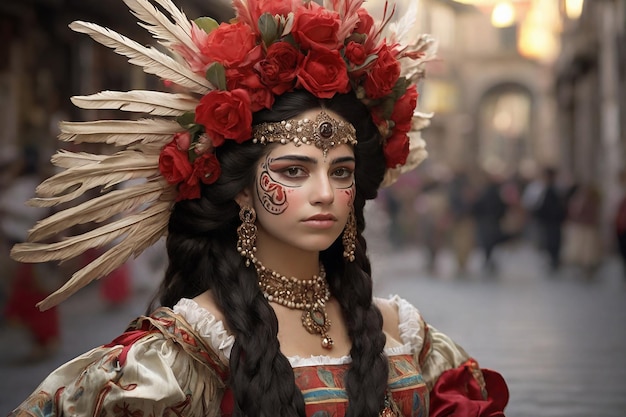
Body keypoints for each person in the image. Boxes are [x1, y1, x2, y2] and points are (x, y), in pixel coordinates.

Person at [8, 1, 509, 416]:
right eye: (293, 171)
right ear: (244, 191)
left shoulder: (407, 336)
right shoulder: (182, 353)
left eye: (340, 172)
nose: (324, 194)